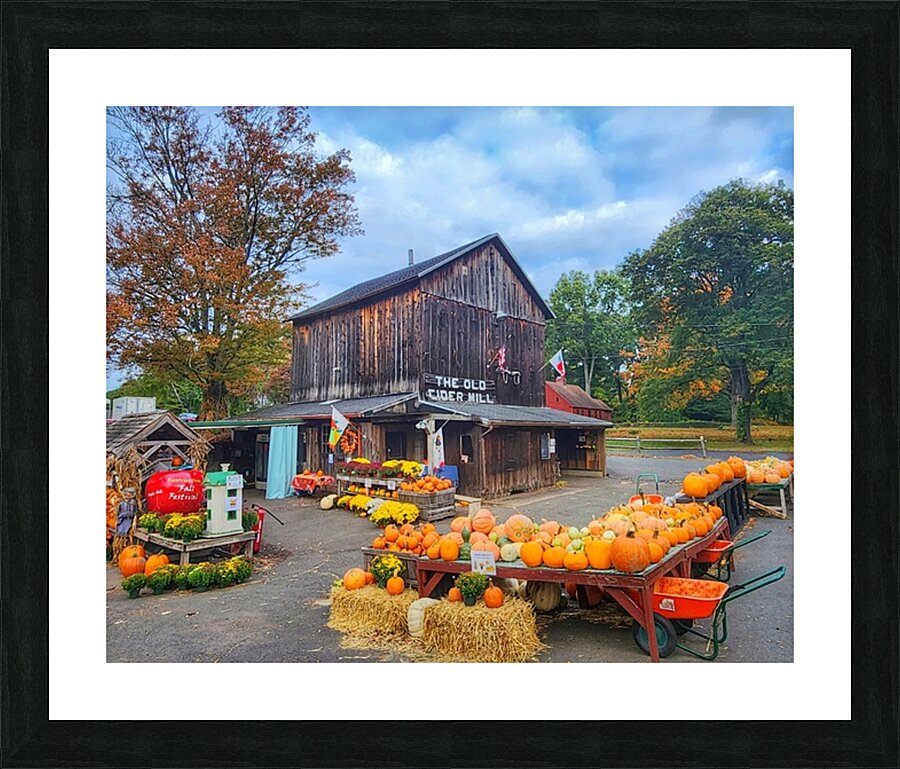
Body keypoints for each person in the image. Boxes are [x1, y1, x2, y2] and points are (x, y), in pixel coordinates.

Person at [112, 487, 138, 560]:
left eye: (129, 495)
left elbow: (135, 513)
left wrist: (134, 521)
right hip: (122, 519)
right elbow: (118, 513)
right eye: (126, 495)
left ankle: (126, 548)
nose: (127, 496)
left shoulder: (133, 503)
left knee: (127, 533)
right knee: (120, 532)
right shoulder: (121, 504)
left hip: (129, 520)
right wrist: (118, 520)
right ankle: (118, 552)